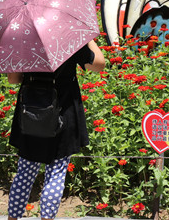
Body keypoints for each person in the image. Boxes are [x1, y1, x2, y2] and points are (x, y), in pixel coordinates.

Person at [7, 40, 105, 220]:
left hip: (31, 110)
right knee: (56, 173)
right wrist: (88, 37)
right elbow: (99, 65)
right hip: (64, 109)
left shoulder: (24, 37)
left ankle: (13, 218)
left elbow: (13, 79)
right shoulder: (68, 36)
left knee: (24, 172)